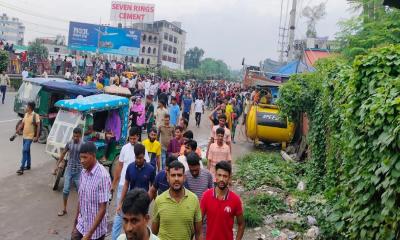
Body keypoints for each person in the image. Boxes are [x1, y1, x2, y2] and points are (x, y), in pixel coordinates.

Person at [111, 128, 150, 240]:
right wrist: (114, 182)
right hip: (123, 184)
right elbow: (120, 166)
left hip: (135, 187)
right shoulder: (124, 148)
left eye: (134, 138)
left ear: (138, 137)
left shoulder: (142, 149)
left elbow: (145, 166)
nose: (132, 140)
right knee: (119, 213)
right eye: (131, 138)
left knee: (135, 215)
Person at [151, 160, 203, 240]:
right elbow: (153, 234)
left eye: (179, 175)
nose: (176, 179)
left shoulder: (194, 199)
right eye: (173, 175)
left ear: (184, 177)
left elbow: (199, 233)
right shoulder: (159, 200)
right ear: (168, 177)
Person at [71, 142, 111, 240]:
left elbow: (103, 209)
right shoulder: (83, 173)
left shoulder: (103, 176)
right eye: (81, 157)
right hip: (81, 226)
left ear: (93, 156)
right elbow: (81, 200)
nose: (82, 161)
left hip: (95, 232)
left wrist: (89, 234)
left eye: (85, 157)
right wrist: (75, 223)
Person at [201, 161, 245, 240]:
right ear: (215, 175)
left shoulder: (235, 200)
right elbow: (198, 221)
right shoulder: (206, 196)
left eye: (225, 176)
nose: (222, 179)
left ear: (229, 177)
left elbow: (241, 224)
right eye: (219, 175)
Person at [116, 144, 155, 214]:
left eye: (140, 158)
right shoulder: (130, 167)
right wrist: (120, 202)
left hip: (144, 202)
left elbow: (153, 189)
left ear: (144, 156)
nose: (138, 160)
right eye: (136, 158)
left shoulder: (151, 169)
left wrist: (149, 202)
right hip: (131, 201)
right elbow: (126, 185)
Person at [56, 127, 83, 216]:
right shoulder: (69, 143)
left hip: (79, 171)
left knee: (81, 191)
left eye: (77, 137)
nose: (75, 138)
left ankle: (82, 210)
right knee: (66, 190)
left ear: (80, 136)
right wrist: (57, 165)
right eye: (74, 136)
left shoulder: (83, 145)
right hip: (69, 170)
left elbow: (87, 157)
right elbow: (63, 153)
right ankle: (64, 209)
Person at [15, 101, 40, 175]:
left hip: (30, 136)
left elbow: (38, 126)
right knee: (27, 151)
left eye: (27, 106)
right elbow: (22, 124)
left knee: (24, 150)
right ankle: (28, 166)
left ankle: (21, 168)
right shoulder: (26, 115)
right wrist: (17, 131)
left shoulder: (35, 115)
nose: (26, 107)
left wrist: (37, 136)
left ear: (30, 108)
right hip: (24, 136)